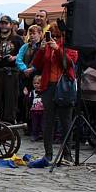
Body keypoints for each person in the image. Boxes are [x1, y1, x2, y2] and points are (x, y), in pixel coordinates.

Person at [30, 21, 78, 166]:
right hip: (48, 86)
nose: (54, 38)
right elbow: (37, 65)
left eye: (57, 36)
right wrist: (41, 49)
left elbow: (69, 63)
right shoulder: (46, 46)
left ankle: (67, 155)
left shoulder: (70, 46)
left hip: (64, 87)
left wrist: (57, 49)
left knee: (65, 121)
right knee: (48, 121)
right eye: (52, 35)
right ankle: (48, 154)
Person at [0, 15, 23, 123]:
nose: (3, 25)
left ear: (10, 25)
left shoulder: (17, 39)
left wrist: (14, 57)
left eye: (6, 23)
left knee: (10, 98)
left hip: (11, 72)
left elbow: (23, 54)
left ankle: (9, 121)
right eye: (2, 23)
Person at [26, 75, 44, 141]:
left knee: (42, 123)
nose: (36, 85)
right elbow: (29, 101)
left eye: (38, 83)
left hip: (42, 111)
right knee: (35, 124)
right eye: (34, 83)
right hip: (34, 111)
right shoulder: (32, 92)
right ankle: (34, 135)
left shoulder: (44, 92)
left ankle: (42, 134)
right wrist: (27, 95)